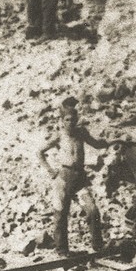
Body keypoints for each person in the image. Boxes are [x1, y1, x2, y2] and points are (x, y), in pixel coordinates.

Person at [41, 96, 110, 257]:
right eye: (67, 120)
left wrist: (115, 141)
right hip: (64, 178)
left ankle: (98, 246)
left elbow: (97, 144)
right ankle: (62, 250)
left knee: (92, 210)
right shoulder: (59, 135)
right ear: (62, 121)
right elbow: (40, 152)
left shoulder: (81, 133)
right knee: (60, 215)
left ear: (77, 119)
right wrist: (50, 171)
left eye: (73, 119)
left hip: (80, 179)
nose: (70, 122)